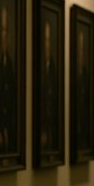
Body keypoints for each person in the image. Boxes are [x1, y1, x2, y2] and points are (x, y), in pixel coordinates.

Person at [0, 4, 17, 154]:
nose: (4, 35)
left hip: (7, 135)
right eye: (2, 30)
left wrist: (6, 131)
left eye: (6, 30)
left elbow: (12, 105)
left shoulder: (10, 66)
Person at [40, 18, 58, 151]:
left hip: (52, 128)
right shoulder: (38, 68)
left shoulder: (54, 71)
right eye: (44, 40)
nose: (46, 45)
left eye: (49, 40)